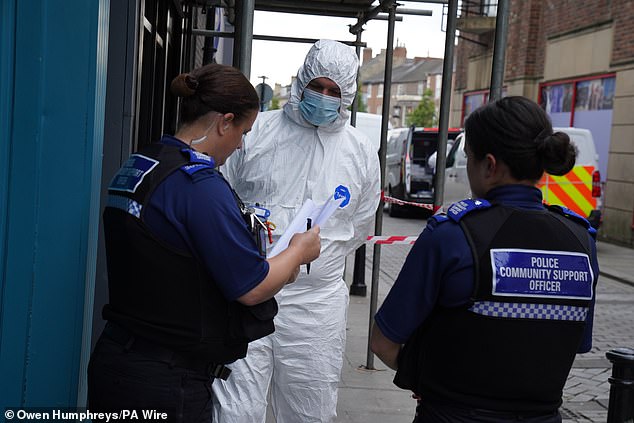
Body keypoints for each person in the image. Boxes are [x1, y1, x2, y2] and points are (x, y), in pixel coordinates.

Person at [87, 63, 321, 423]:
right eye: (243, 131)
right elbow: (252, 286)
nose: (241, 144)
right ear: (224, 122)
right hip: (166, 380)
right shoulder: (199, 186)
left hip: (118, 357)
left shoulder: (141, 163)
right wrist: (297, 253)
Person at [371, 96, 599, 423]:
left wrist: (428, 380)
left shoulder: (452, 237)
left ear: (489, 166)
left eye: (469, 158)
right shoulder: (581, 241)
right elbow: (575, 343)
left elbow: (383, 342)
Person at [212, 39, 381, 422]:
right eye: (316, 86)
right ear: (301, 81)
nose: (323, 97)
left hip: (315, 304)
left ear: (347, 95)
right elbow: (221, 198)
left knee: (310, 408)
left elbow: (359, 224)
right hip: (246, 292)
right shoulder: (256, 133)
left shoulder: (359, 151)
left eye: (333, 91)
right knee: (235, 408)